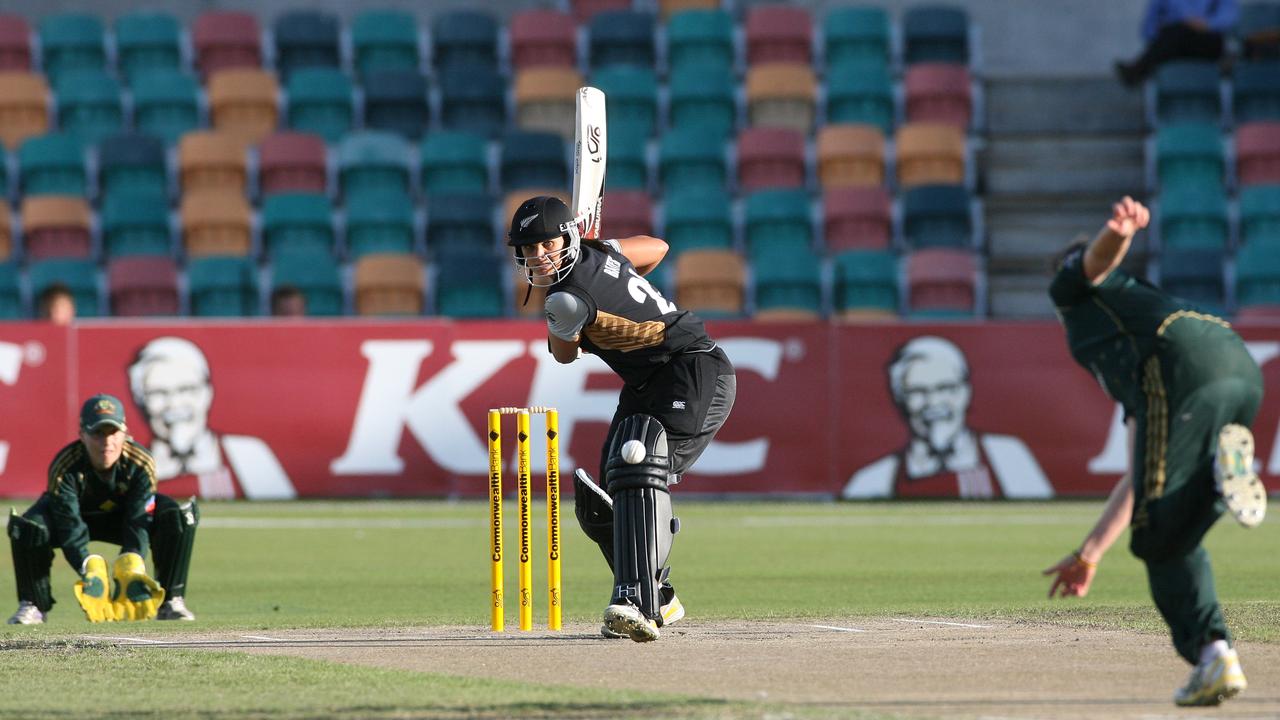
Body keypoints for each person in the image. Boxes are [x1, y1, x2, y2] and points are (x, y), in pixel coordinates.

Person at [1042, 196, 1267, 707]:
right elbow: (1139, 477)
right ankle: (1216, 475)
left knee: (1158, 539)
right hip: (1232, 361)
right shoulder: (1131, 324)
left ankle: (1211, 658)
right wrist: (1090, 553)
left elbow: (1093, 263)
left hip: (1181, 365)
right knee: (1167, 520)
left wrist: (1118, 233)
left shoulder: (1073, 293)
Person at [508, 195, 737, 643]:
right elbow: (657, 247)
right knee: (602, 502)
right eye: (528, 249)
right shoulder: (603, 252)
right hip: (646, 384)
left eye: (546, 244)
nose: (537, 256)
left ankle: (638, 602)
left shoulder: (569, 298)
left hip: (693, 370)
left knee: (640, 468)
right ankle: (662, 595)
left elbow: (563, 355)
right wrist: (606, 256)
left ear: (566, 238)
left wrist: (563, 318)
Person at [6, 394, 199, 624]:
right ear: (82, 435)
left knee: (177, 516)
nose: (107, 442)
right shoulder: (65, 465)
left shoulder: (140, 462)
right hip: (75, 518)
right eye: (98, 434)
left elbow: (139, 517)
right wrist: (88, 566)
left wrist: (132, 562)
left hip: (122, 518)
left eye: (113, 432)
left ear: (125, 433)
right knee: (30, 526)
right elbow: (69, 523)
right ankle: (33, 605)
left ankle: (171, 602)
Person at [842, 335, 1053, 499]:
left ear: (965, 392)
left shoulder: (1007, 456)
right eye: (918, 392)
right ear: (900, 399)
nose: (934, 403)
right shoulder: (874, 480)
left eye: (945, 388)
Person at [127, 336, 296, 500]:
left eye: (186, 389)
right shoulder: (133, 468)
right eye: (159, 393)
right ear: (140, 400)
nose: (174, 404)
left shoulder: (248, 454)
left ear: (207, 393)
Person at [1115, 0, 1238, 88]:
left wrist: (1206, 24)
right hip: (1174, 45)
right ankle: (1138, 71)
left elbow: (1229, 18)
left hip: (1207, 42)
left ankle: (1137, 70)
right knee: (1177, 32)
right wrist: (1161, 31)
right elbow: (1148, 29)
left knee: (1178, 31)